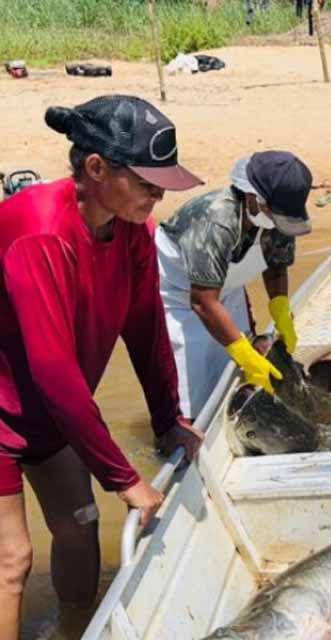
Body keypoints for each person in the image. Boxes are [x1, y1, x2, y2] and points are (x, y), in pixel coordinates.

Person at [0, 95, 204, 638]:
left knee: (80, 527)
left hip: (44, 418)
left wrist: (169, 419)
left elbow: (147, 329)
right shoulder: (39, 229)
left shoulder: (133, 230)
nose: (158, 194)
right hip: (3, 416)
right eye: (147, 182)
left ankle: (73, 628)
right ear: (96, 168)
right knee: (13, 561)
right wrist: (124, 477)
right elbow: (53, 369)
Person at [157, 151, 313, 419]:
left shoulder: (277, 214)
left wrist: (280, 309)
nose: (278, 224)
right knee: (190, 392)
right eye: (274, 215)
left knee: (233, 371)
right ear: (253, 198)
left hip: (223, 288)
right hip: (180, 294)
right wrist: (243, 353)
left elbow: (276, 263)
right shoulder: (216, 221)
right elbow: (203, 301)